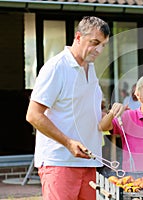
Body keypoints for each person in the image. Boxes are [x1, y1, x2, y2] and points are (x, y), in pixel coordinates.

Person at [26, 16, 110, 200]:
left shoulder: (90, 68)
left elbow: (87, 112)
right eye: (94, 42)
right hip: (59, 162)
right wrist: (67, 142)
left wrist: (110, 117)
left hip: (89, 162)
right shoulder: (56, 67)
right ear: (78, 37)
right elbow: (33, 115)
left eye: (103, 45)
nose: (99, 50)